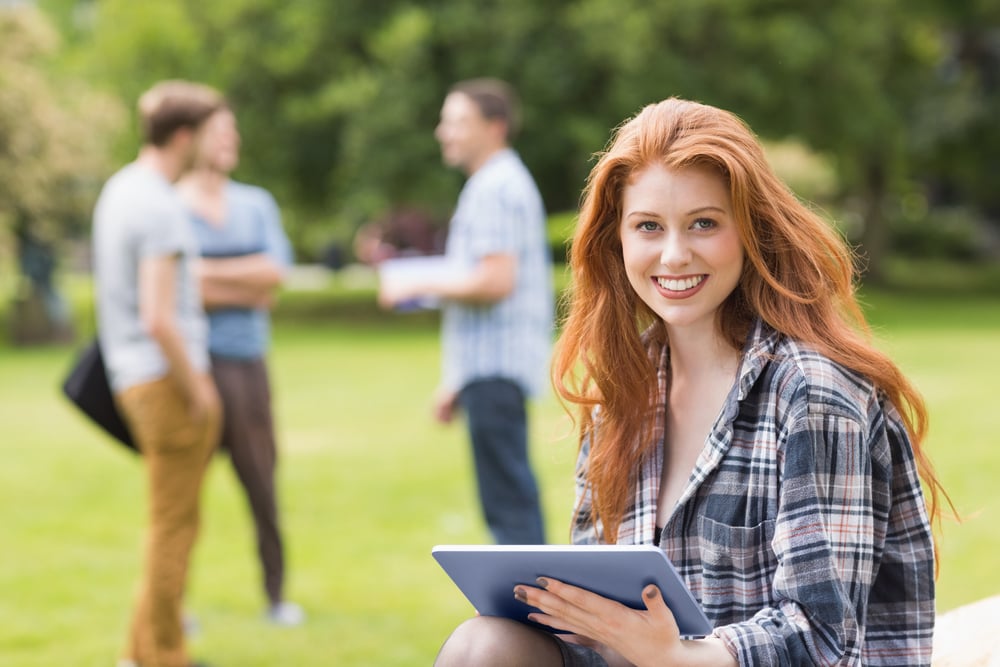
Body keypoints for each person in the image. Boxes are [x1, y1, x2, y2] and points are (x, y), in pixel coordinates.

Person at [433, 97, 948, 666]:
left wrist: (675, 655)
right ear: (618, 240)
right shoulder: (628, 391)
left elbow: (822, 638)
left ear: (750, 230)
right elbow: (600, 616)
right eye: (648, 226)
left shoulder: (813, 392)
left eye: (704, 223)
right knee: (484, 644)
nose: (674, 255)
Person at [379, 78, 554, 545]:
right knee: (508, 497)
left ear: (494, 127)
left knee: (509, 506)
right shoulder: (495, 183)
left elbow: (495, 280)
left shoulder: (495, 187)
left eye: (457, 121)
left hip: (497, 368)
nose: (443, 132)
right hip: (489, 368)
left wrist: (412, 281)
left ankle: (532, 615)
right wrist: (457, 378)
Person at [92, 80, 225, 667]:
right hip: (165, 383)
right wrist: (197, 389)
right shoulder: (159, 205)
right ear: (183, 136)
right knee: (174, 531)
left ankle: (137, 654)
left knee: (166, 525)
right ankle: (165, 657)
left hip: (131, 377)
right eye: (210, 132)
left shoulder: (121, 189)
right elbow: (158, 316)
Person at [176, 104, 303, 626]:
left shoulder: (255, 204)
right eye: (219, 132)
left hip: (249, 367)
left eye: (234, 130)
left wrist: (206, 275)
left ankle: (276, 598)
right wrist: (241, 279)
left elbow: (275, 276)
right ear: (192, 138)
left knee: (262, 484)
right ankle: (174, 606)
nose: (230, 140)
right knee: (182, 496)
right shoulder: (171, 205)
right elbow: (179, 288)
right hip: (192, 368)